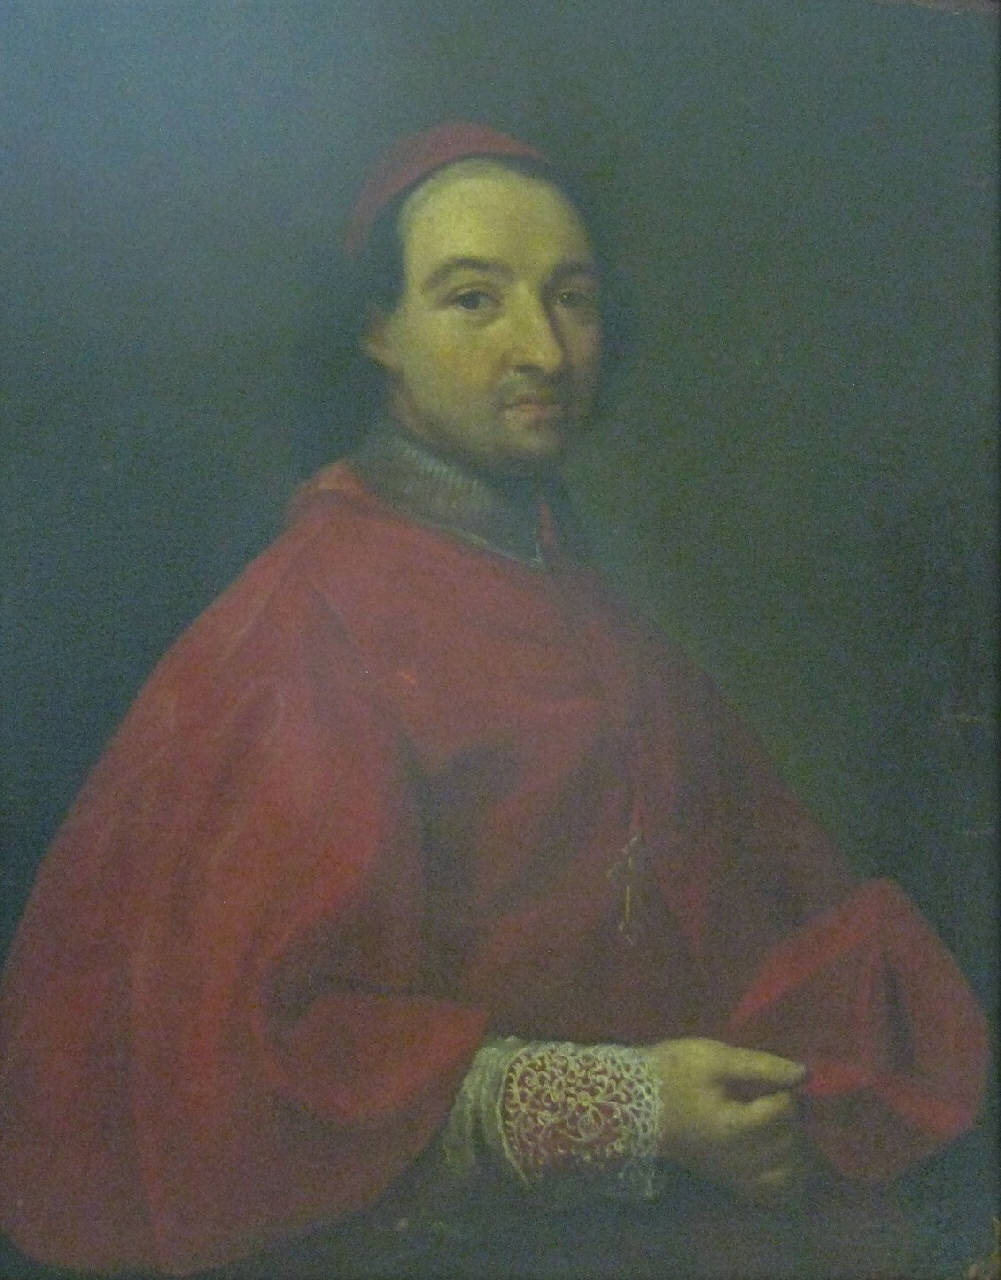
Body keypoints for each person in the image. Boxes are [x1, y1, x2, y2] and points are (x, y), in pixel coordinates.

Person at [0, 122, 989, 1280]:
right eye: (474, 299)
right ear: (377, 330)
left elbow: (776, 902)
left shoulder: (579, 595)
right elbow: (239, 1073)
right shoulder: (301, 631)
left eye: (571, 299)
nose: (543, 349)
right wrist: (633, 1107)